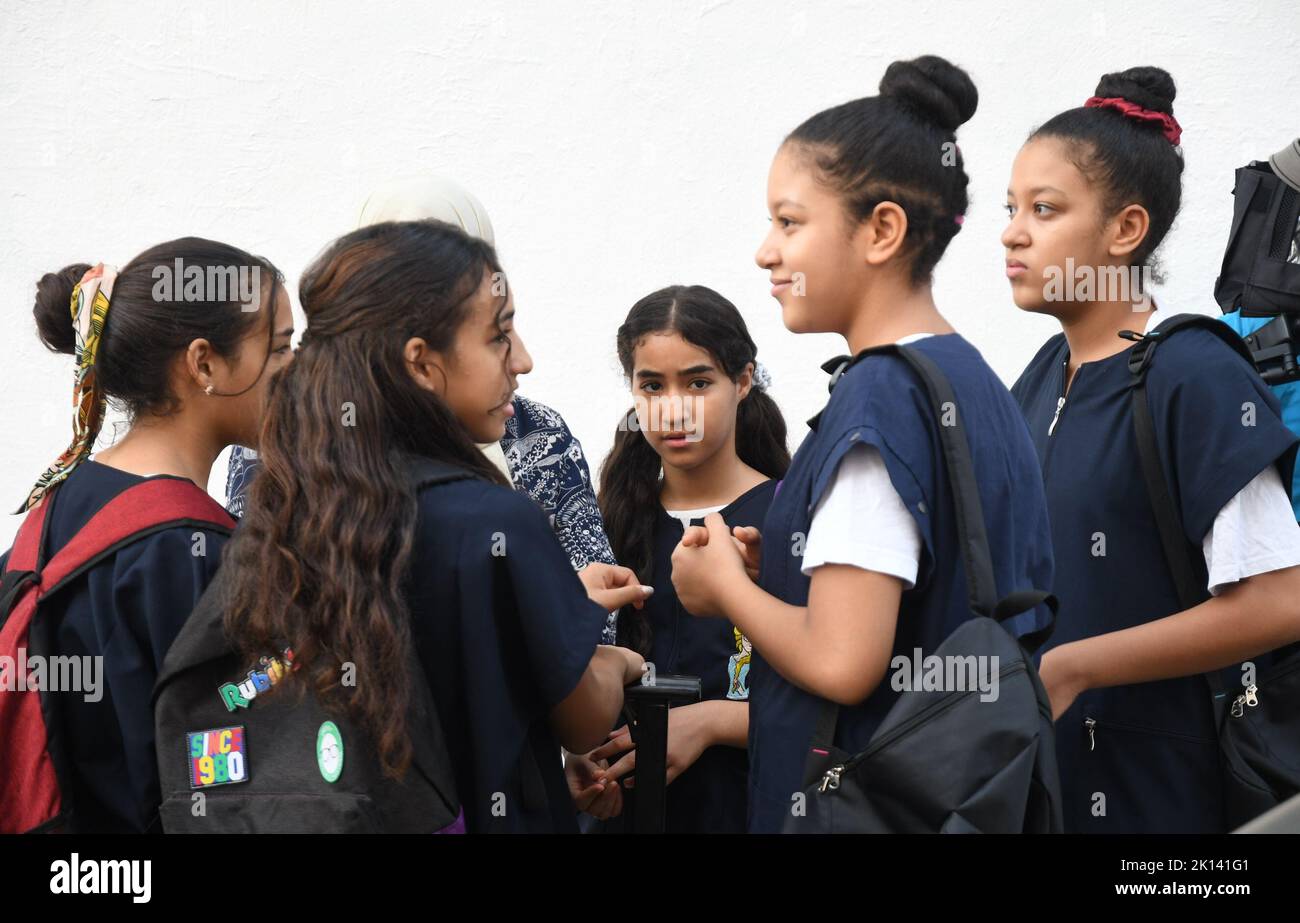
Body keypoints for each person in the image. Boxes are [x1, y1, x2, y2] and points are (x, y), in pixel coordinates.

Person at [670, 55, 1055, 834]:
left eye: (789, 221)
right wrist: (779, 563)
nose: (765, 252)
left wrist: (726, 591)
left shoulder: (879, 395)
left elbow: (845, 661)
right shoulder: (969, 376)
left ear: (881, 230)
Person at [1004, 66, 1300, 832]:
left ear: (1125, 229)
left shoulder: (1192, 372)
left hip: (1163, 805)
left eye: (1044, 209)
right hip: (1045, 793)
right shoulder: (1038, 378)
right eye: (1011, 209)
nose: (1013, 232)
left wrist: (1078, 665)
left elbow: (1280, 597)